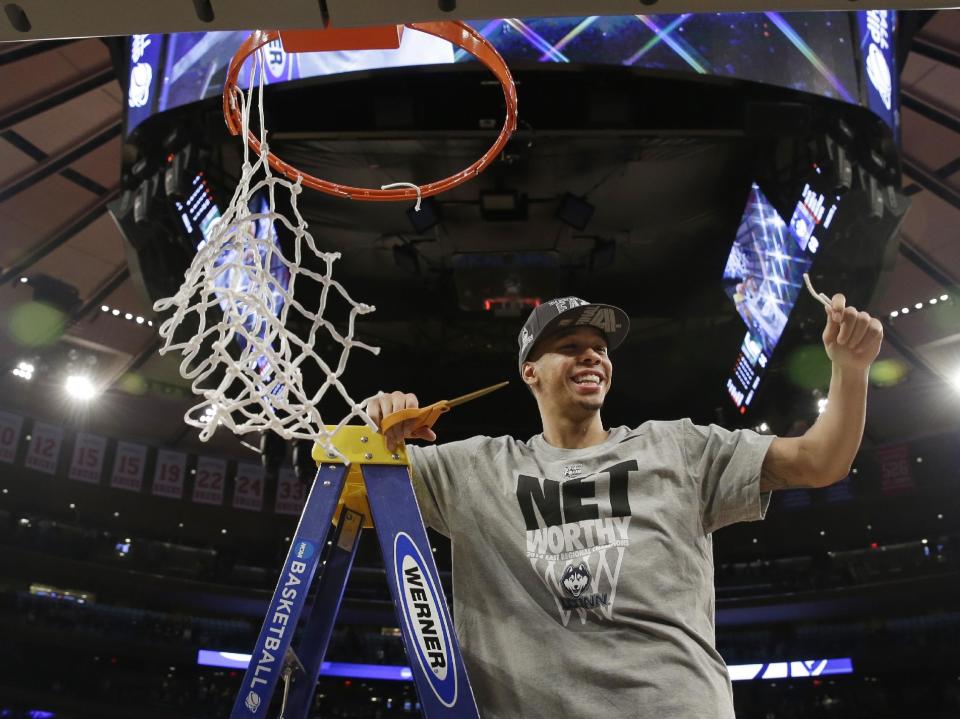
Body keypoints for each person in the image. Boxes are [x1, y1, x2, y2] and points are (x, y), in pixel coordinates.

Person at [367, 294, 883, 719]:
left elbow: (819, 462)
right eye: (570, 346)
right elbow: (347, 482)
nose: (592, 355)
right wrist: (378, 431)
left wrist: (850, 370)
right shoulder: (476, 468)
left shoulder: (679, 447)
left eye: (600, 348)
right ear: (531, 372)